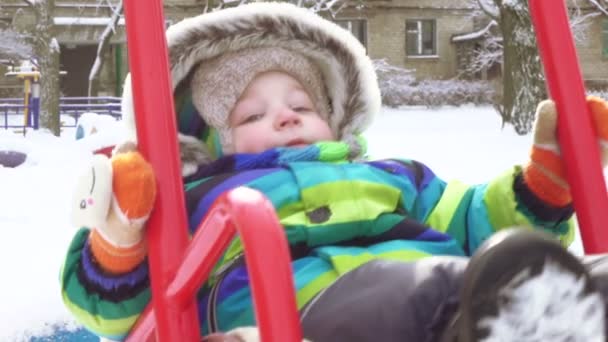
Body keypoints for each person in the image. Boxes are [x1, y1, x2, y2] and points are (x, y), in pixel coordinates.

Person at [61, 2, 608, 341]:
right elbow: (109, 309)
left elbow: (475, 220)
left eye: (303, 102)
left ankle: (556, 307)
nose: (285, 115)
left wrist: (545, 182)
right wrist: (119, 238)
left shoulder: (394, 176)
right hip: (302, 316)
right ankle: (518, 314)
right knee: (407, 289)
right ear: (209, 141)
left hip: (456, 291)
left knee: (568, 274)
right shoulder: (198, 197)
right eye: (251, 114)